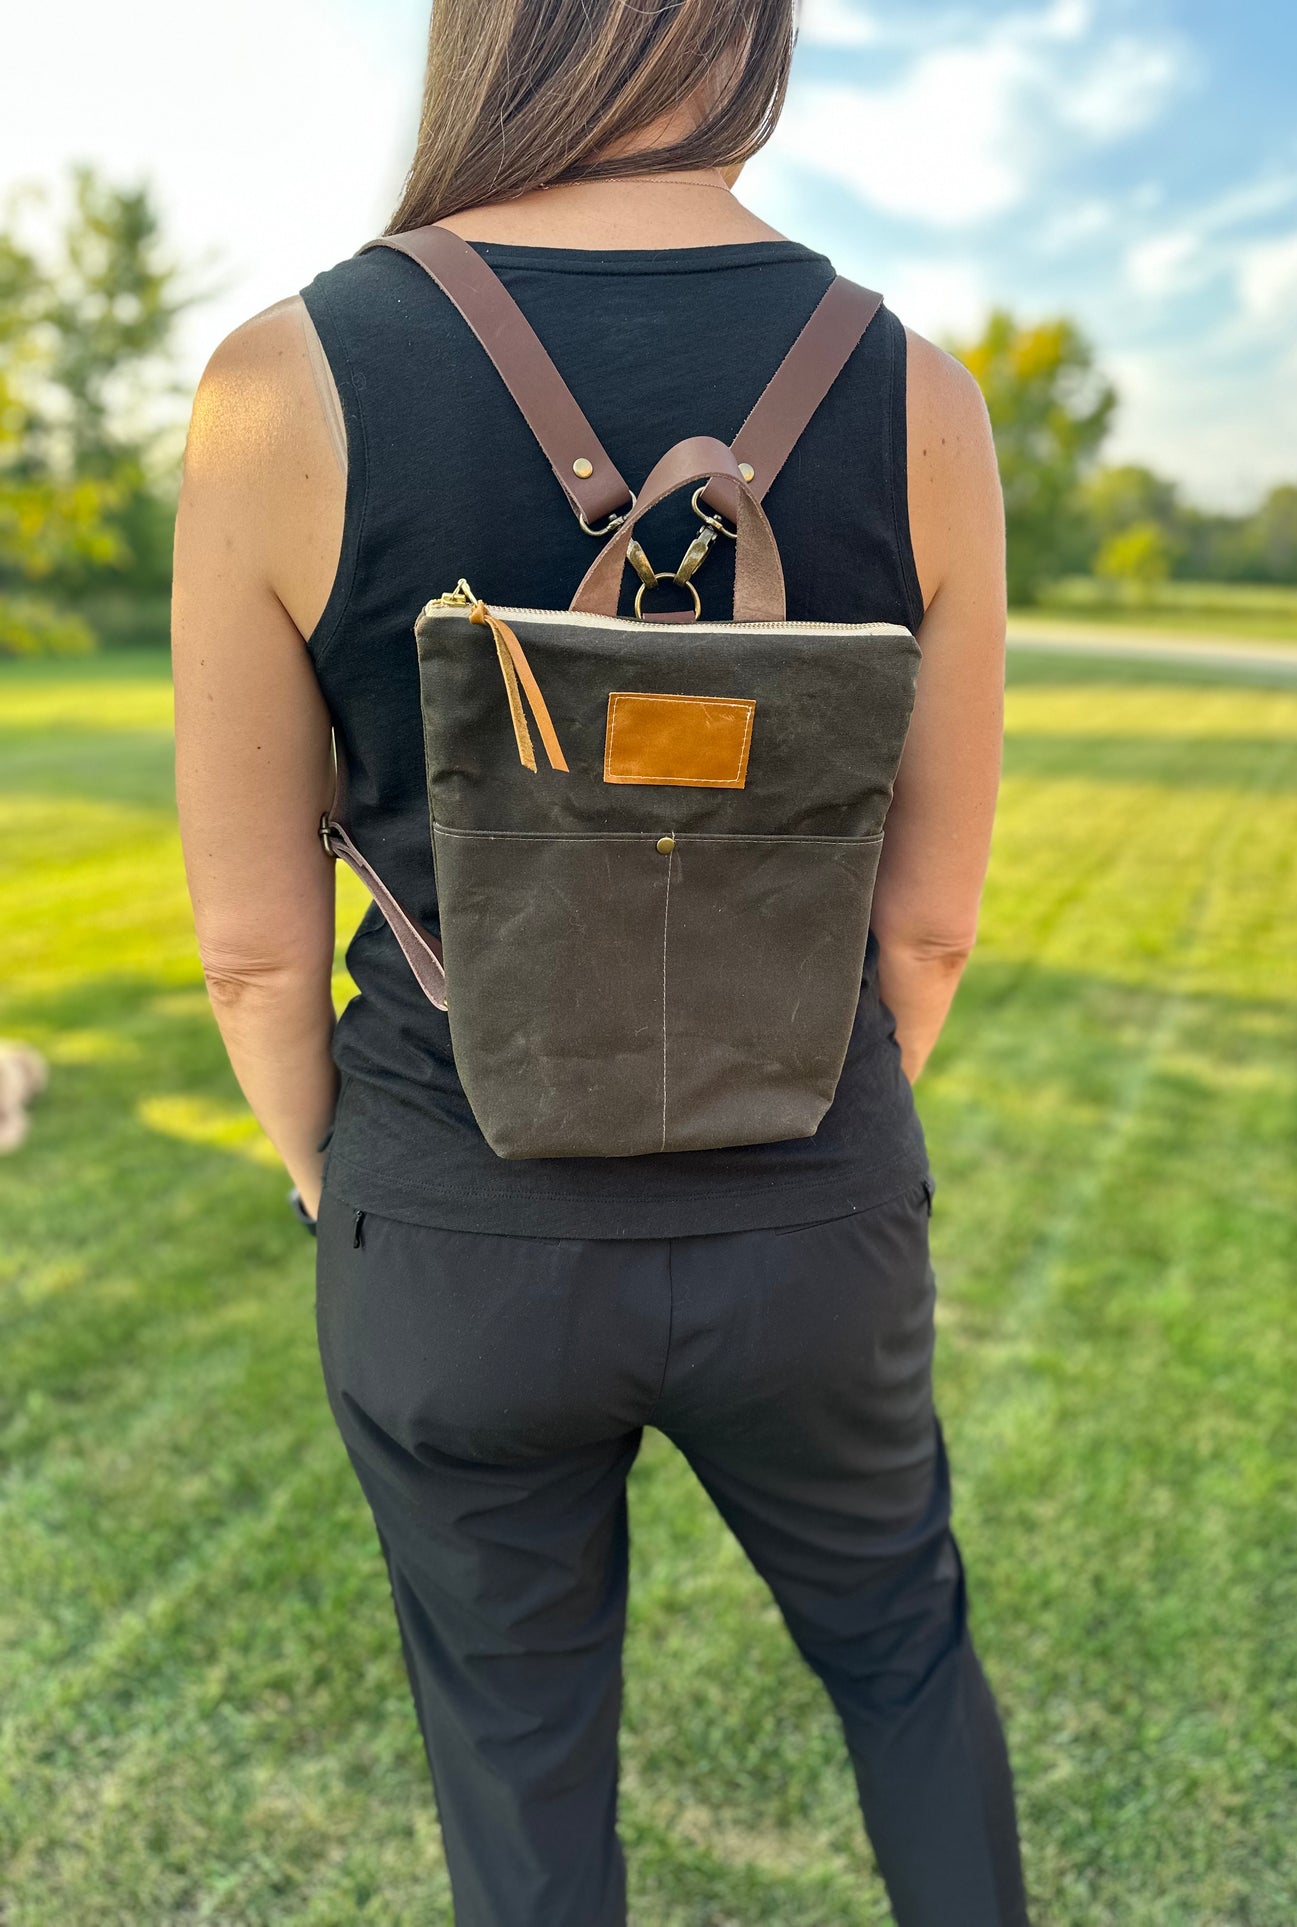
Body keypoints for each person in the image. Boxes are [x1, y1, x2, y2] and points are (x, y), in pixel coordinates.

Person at [171, 1, 1021, 1921]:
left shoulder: (283, 382)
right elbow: (931, 918)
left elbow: (247, 949)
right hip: (810, 1203)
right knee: (898, 1654)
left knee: (521, 1756)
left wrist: (344, 1178)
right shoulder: (917, 394)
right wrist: (787, 1123)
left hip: (450, 1215)